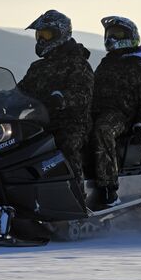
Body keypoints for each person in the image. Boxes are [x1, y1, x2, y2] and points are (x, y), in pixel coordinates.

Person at [17, 10, 94, 195]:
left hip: (71, 124)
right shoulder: (38, 67)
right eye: (39, 35)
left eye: (46, 35)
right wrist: (0, 96)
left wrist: (61, 99)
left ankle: (77, 201)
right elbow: (21, 90)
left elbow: (82, 94)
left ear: (61, 34)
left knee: (65, 147)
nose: (42, 40)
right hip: (40, 122)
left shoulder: (77, 64)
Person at [91, 16, 141, 206]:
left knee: (103, 129)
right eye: (110, 34)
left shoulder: (140, 66)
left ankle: (109, 190)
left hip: (122, 116)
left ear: (131, 36)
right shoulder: (108, 62)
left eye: (117, 34)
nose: (112, 38)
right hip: (97, 112)